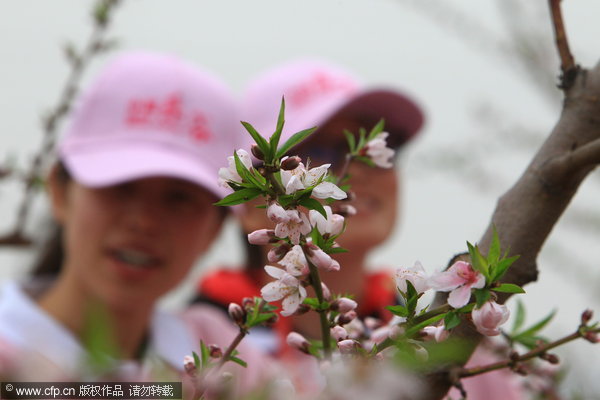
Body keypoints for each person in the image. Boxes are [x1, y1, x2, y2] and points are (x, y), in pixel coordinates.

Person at [0, 51, 271, 393]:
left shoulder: (225, 357)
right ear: (59, 191)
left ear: (215, 229)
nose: (144, 222)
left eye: (179, 198)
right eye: (119, 187)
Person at [192, 58, 424, 354]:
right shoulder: (195, 350)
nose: (359, 170)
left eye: (374, 147)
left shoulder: (444, 349)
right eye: (318, 150)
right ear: (249, 203)